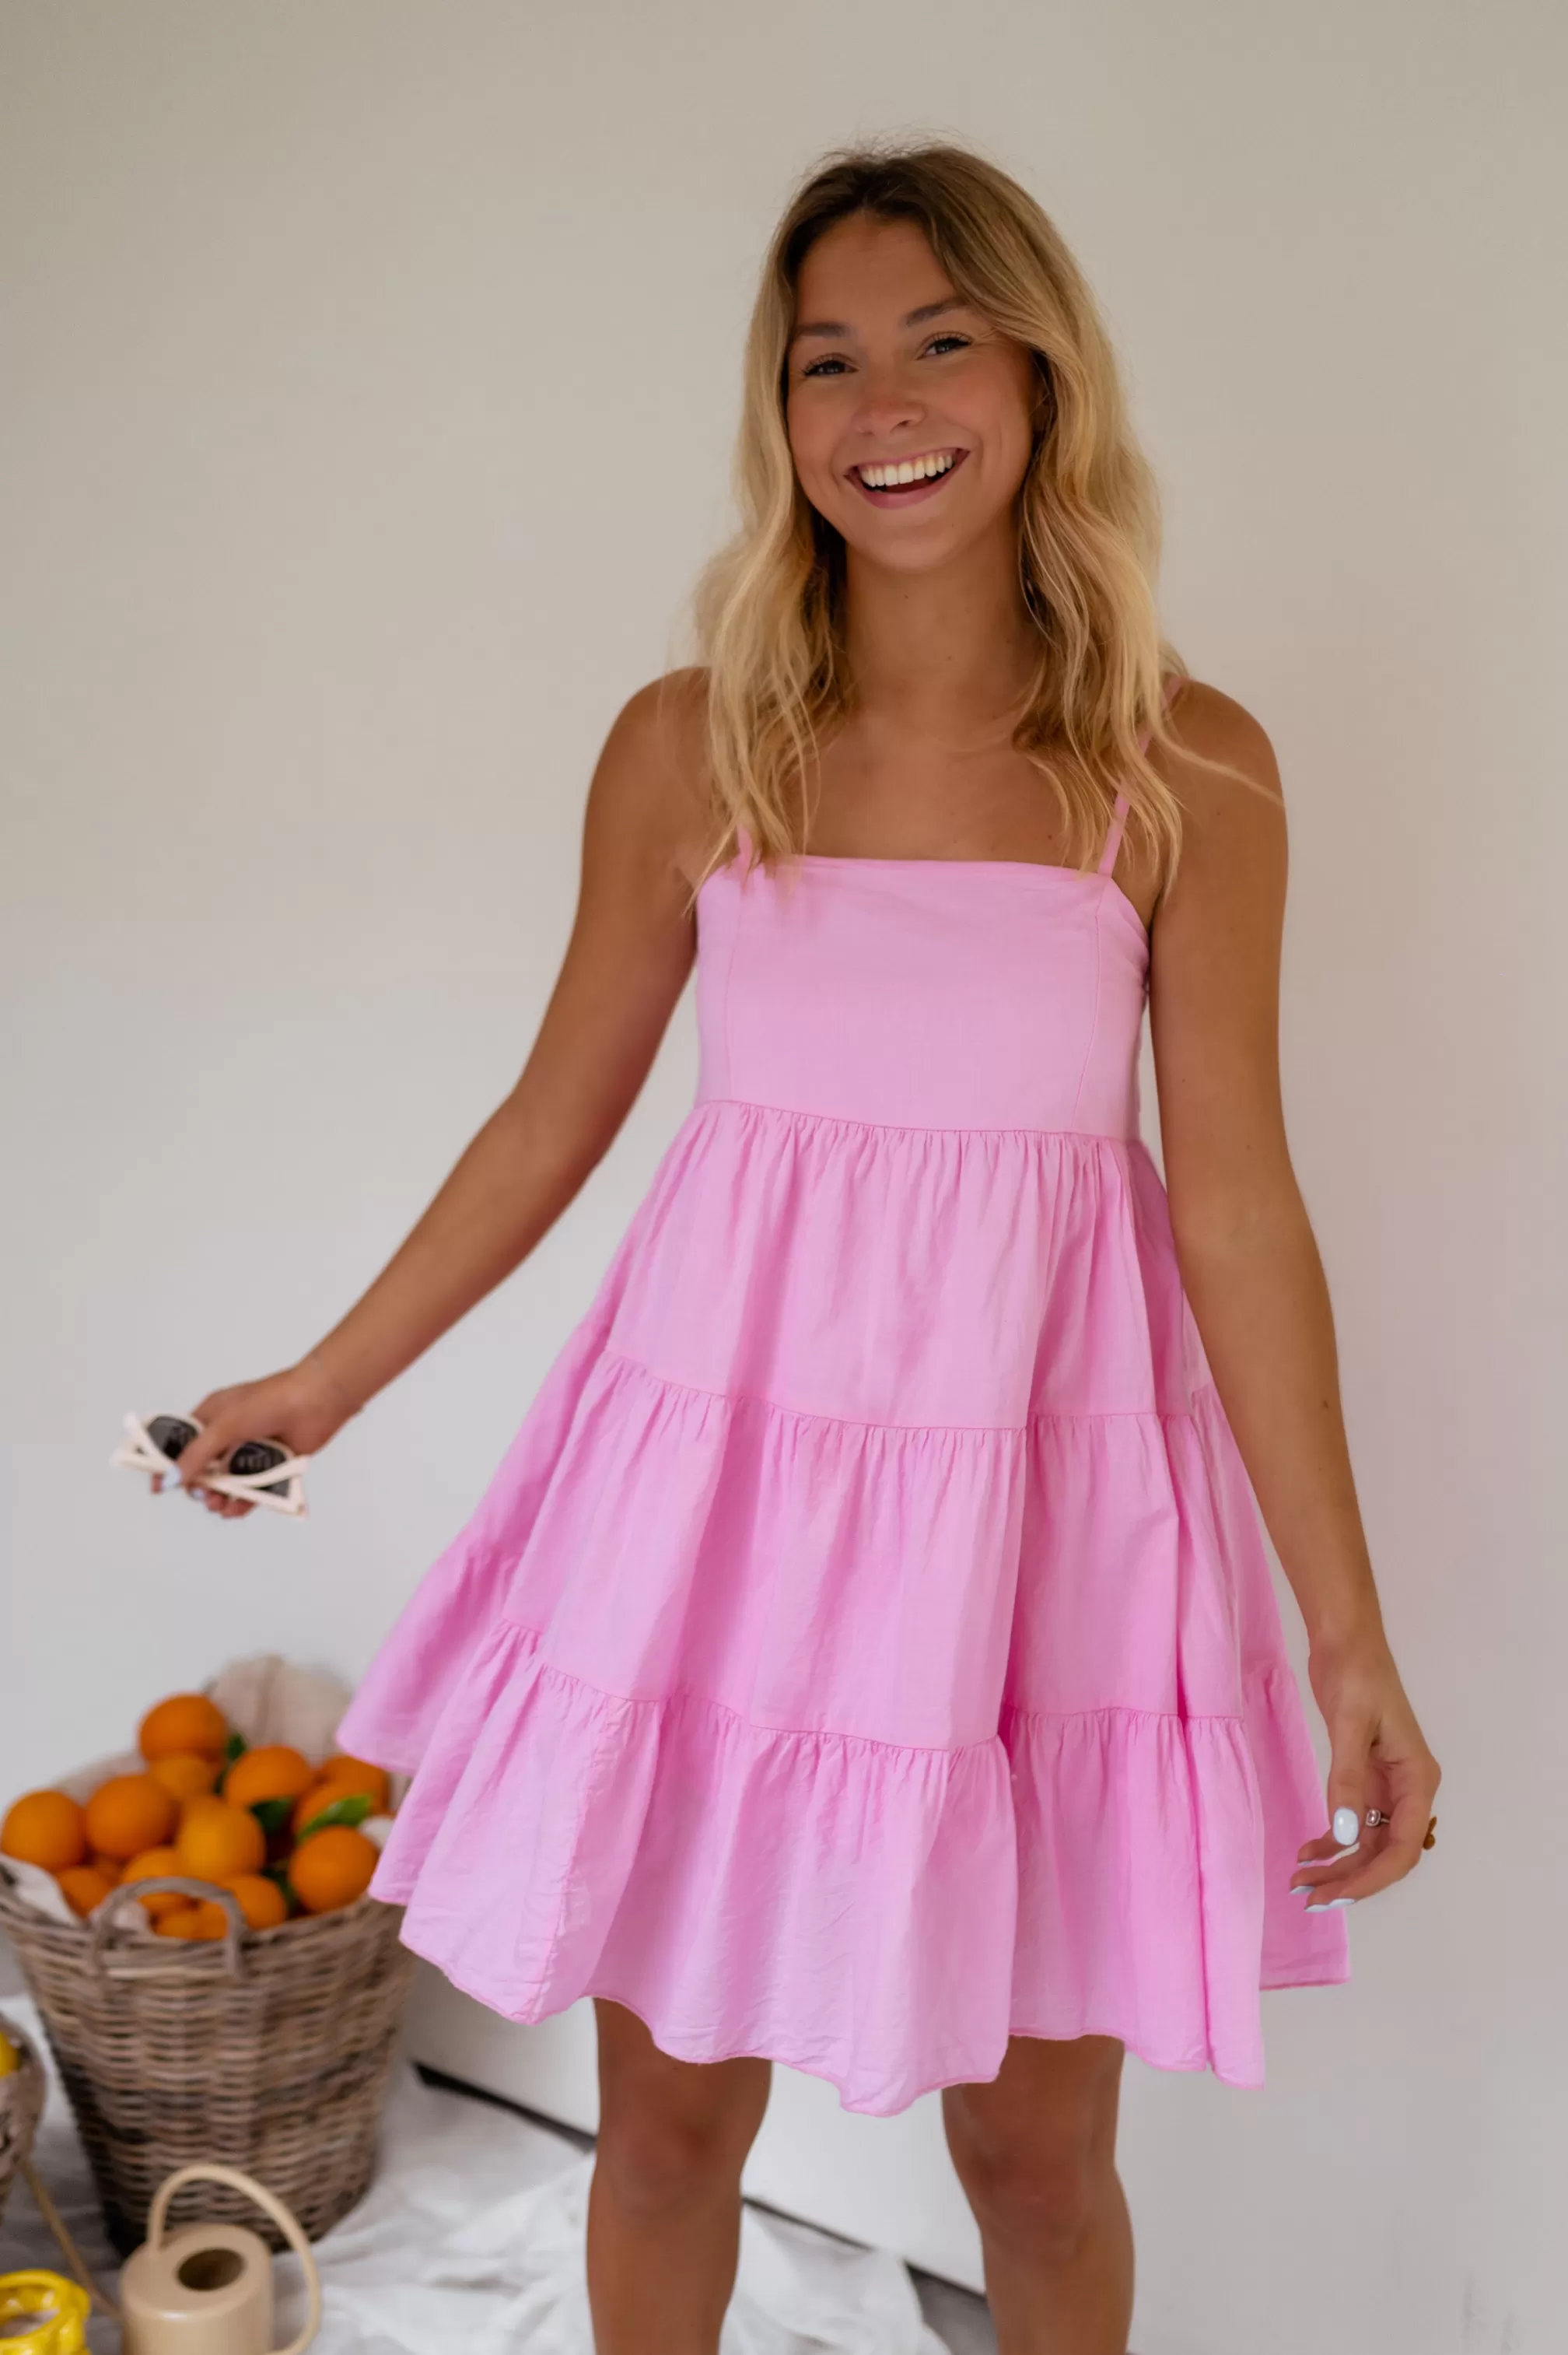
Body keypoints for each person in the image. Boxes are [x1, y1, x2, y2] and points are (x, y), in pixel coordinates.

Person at [160, 140, 1440, 2355]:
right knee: (668, 2129)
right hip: (730, 1500)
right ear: (778, 413)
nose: (886, 403)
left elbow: (1236, 1198)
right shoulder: (694, 748)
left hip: (1036, 1509)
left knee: (1037, 2163)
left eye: (941, 341)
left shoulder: (1184, 764)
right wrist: (323, 1382)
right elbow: (551, 1118)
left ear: (1041, 378)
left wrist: (1347, 1630)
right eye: (826, 359)